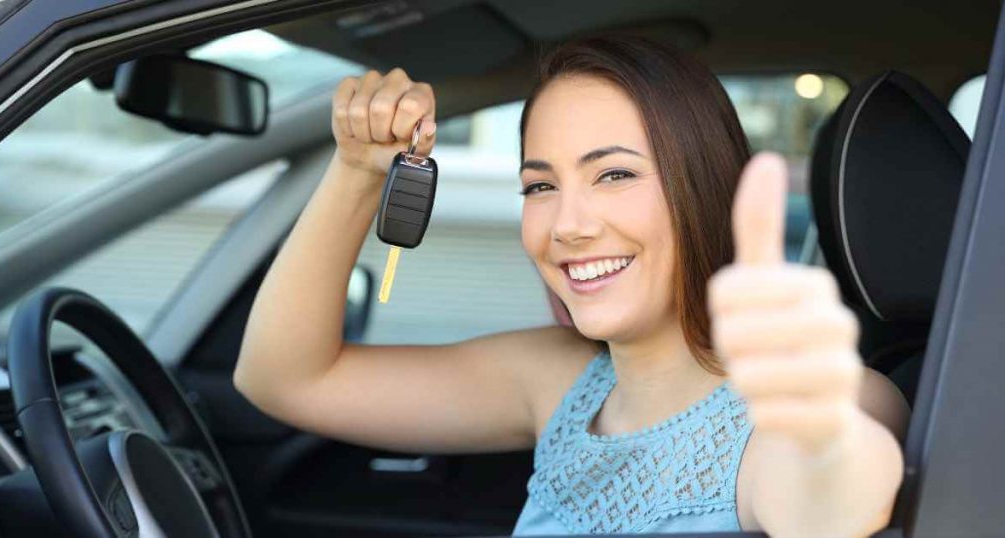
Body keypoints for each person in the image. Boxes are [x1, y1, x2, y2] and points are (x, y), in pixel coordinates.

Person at [233, 36, 910, 537]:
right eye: (540, 186)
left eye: (614, 175)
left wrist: (822, 433)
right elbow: (284, 378)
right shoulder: (561, 380)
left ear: (701, 190)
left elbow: (834, 505)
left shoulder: (819, 403)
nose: (568, 225)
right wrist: (357, 172)